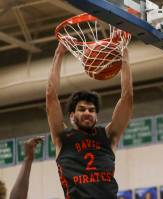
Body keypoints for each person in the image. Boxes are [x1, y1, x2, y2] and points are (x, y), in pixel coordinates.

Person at [46, 41, 133, 199]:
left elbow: (127, 98)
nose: (87, 113)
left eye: (92, 110)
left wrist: (125, 58)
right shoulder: (62, 138)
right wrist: (59, 54)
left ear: (97, 116)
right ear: (72, 116)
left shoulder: (108, 136)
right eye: (82, 109)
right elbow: (51, 97)